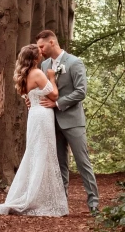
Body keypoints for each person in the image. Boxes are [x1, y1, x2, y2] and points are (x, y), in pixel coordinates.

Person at [0, 44, 69, 216]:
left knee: (35, 152)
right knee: (43, 152)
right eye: (39, 54)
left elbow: (29, 97)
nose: (41, 56)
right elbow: (54, 95)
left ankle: (37, 194)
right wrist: (52, 78)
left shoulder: (23, 76)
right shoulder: (38, 73)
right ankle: (36, 196)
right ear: (34, 58)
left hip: (33, 114)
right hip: (42, 115)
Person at [35, 29, 100, 213]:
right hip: (52, 121)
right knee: (60, 163)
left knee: (82, 162)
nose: (40, 51)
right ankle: (62, 203)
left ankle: (93, 203)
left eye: (42, 46)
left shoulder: (74, 62)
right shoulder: (44, 64)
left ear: (52, 42)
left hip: (72, 120)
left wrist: (57, 103)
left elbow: (81, 91)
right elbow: (44, 88)